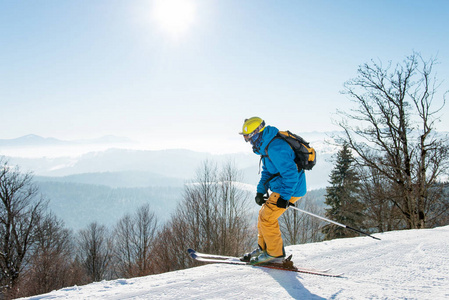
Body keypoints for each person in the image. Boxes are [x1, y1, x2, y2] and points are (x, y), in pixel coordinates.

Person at [239, 117, 307, 265]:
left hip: (291, 189)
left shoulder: (275, 147)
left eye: (248, 138)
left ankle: (275, 254)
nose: (248, 142)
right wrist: (260, 191)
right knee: (263, 214)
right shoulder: (266, 146)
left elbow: (291, 174)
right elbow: (267, 171)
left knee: (268, 218)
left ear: (257, 133)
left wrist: (285, 197)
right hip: (283, 187)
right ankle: (265, 249)